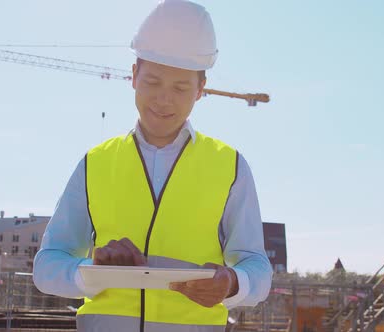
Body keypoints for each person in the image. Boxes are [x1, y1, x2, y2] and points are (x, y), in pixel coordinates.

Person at [33, 0, 272, 331]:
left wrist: (233, 283)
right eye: (153, 82)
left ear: (201, 89)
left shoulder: (229, 166)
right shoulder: (95, 163)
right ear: (133, 76)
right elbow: (47, 266)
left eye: (180, 87)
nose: (164, 99)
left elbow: (257, 267)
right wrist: (91, 271)